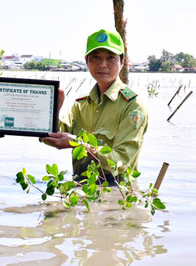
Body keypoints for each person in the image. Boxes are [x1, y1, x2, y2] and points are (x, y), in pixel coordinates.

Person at [41, 29, 148, 184]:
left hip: (116, 191)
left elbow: (120, 163)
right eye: (96, 57)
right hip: (80, 185)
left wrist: (79, 145)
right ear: (87, 61)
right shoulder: (82, 104)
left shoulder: (133, 106)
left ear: (122, 61)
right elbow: (54, 136)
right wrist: (52, 110)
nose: (102, 65)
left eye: (110, 58)